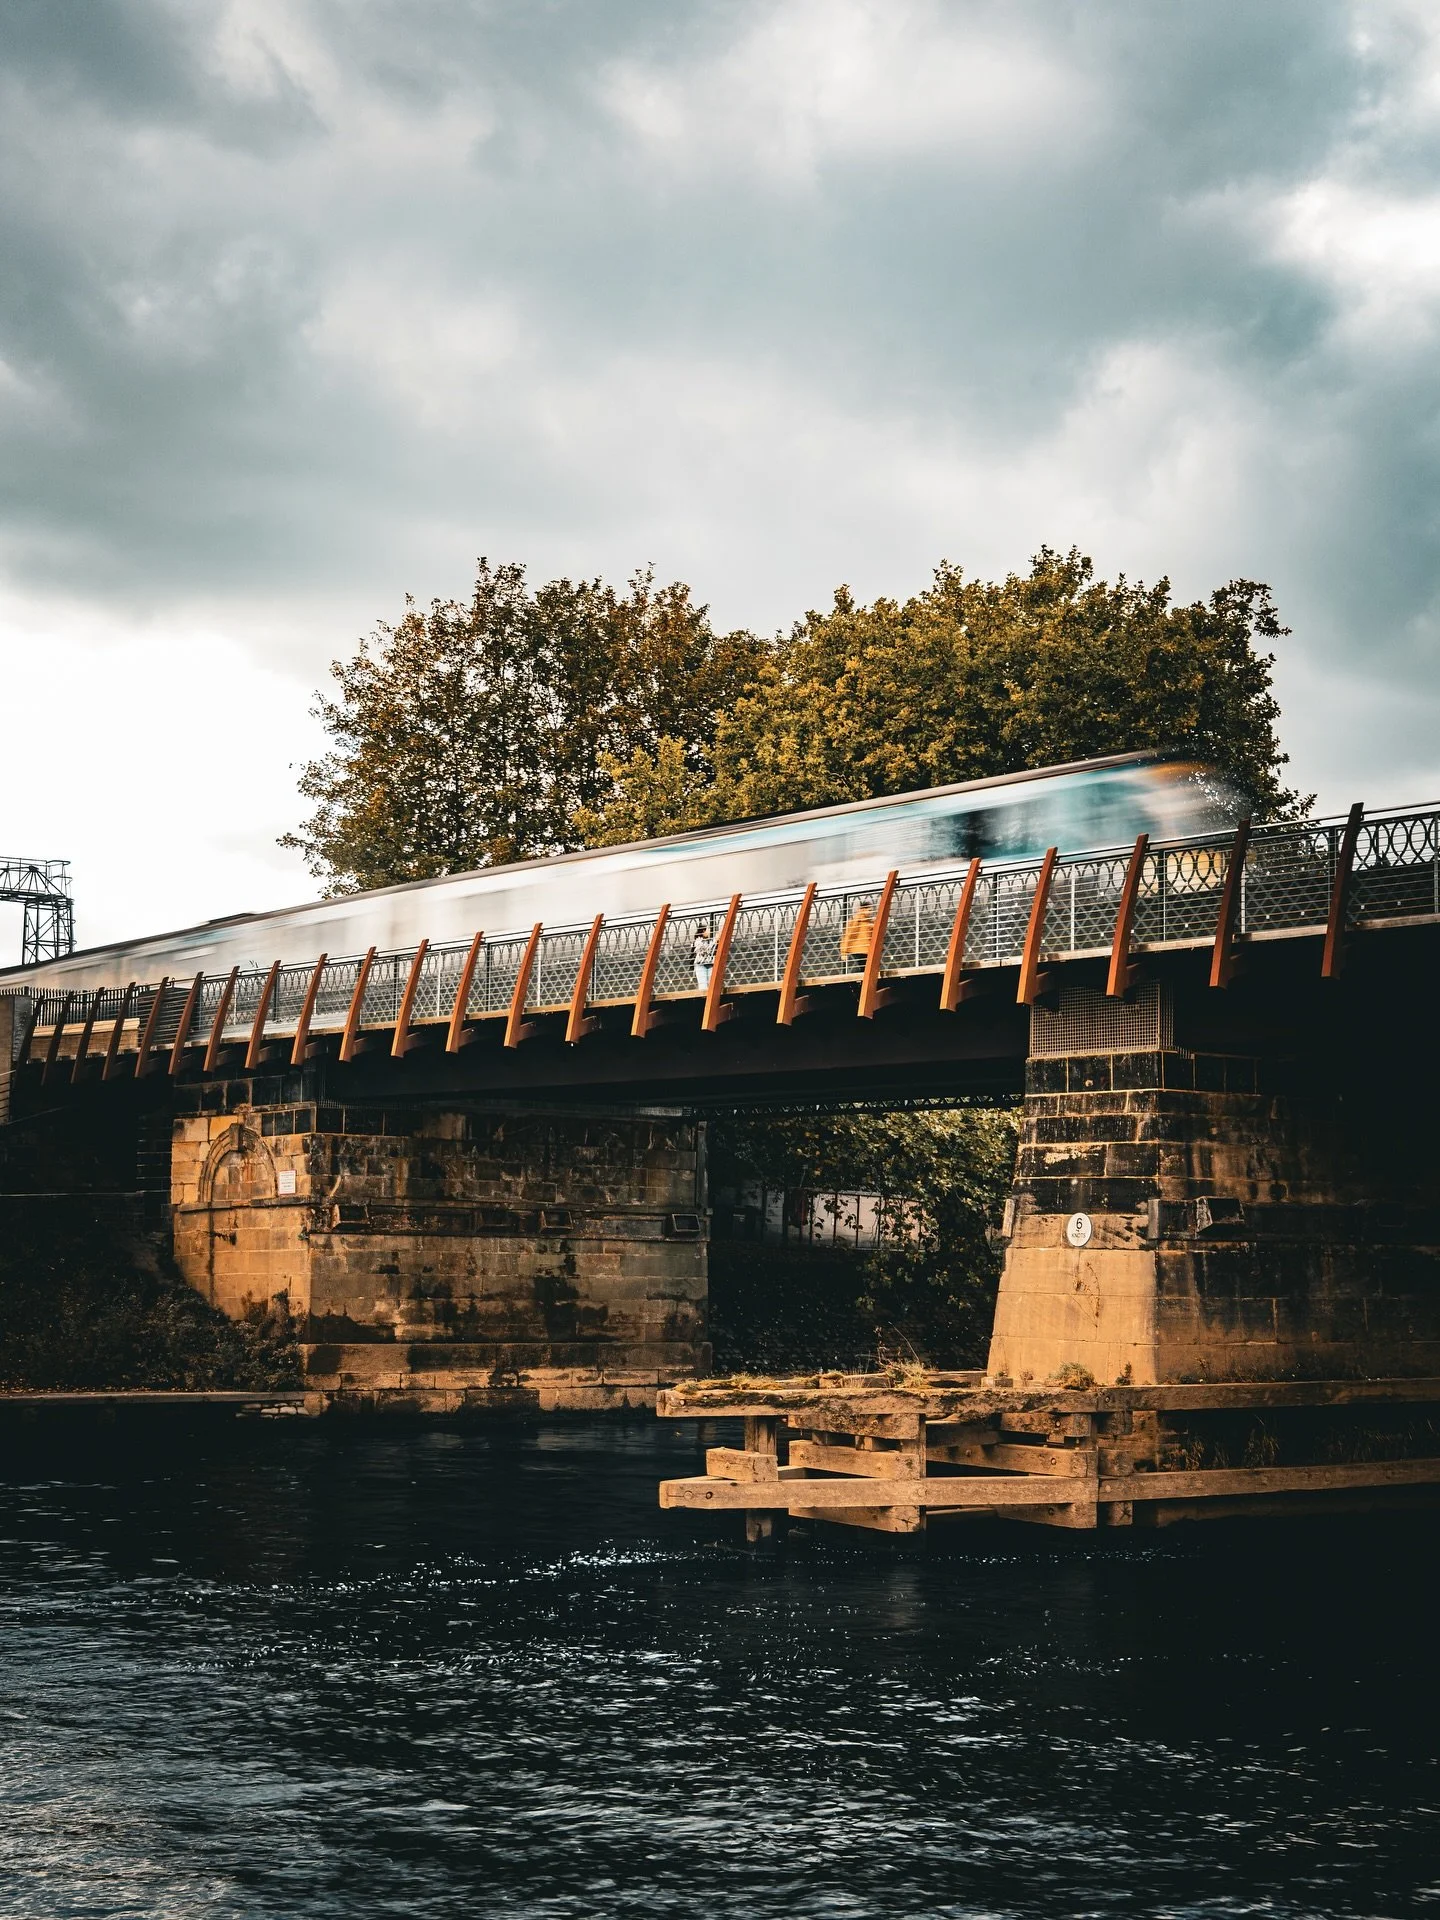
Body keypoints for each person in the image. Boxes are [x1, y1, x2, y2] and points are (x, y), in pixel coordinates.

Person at [692, 921, 717, 991]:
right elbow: (706, 951)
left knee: (711, 985)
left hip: (710, 963)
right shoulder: (697, 941)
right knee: (703, 986)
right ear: (703, 931)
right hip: (700, 964)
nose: (709, 931)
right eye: (708, 929)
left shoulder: (709, 940)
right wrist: (715, 941)